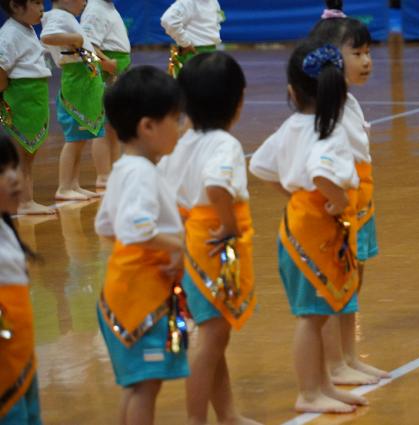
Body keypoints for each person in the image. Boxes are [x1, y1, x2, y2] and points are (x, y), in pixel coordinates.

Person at [250, 40, 367, 413]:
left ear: (292, 91)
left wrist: (292, 195)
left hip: (299, 223)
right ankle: (308, 392)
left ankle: (324, 386)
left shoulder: (292, 126)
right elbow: (320, 172)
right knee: (311, 317)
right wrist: (339, 201)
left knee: (318, 313)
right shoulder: (329, 131)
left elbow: (260, 165)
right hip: (314, 231)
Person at [158, 52, 260, 425]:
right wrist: (229, 225)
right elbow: (217, 185)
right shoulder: (224, 144)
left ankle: (228, 414)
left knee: (213, 338)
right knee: (212, 341)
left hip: (187, 243)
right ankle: (196, 420)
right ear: (237, 102)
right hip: (213, 248)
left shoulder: (180, 143)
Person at [95, 66, 188, 425]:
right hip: (140, 296)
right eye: (175, 119)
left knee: (137, 385)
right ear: (148, 126)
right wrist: (177, 245)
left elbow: (105, 226)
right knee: (145, 387)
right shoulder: (141, 173)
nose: (180, 126)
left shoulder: (125, 168)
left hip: (124, 288)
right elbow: (136, 229)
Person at [308, 0, 388, 385]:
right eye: (357, 53)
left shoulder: (349, 102)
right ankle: (333, 364)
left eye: (368, 52)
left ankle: (349, 357)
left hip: (361, 203)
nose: (367, 61)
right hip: (340, 208)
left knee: (353, 282)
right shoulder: (325, 109)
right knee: (334, 286)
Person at [41, 0, 105, 201]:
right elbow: (47, 36)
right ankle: (64, 187)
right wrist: (76, 38)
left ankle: (73, 184)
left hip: (84, 79)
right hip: (77, 82)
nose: (85, 2)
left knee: (79, 139)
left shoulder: (66, 16)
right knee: (73, 140)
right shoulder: (57, 16)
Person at [0, 136, 43, 425]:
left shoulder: (6, 228)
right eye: (1, 172)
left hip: (22, 360)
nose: (14, 177)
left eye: (13, 167)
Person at [0, 0, 54, 215]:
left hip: (33, 98)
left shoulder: (27, 29)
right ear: (15, 6)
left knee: (27, 156)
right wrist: (4, 95)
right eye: (37, 2)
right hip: (20, 100)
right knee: (20, 154)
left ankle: (26, 200)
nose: (42, 8)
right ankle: (24, 201)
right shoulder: (9, 34)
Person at [81, 0, 132, 188]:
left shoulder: (107, 7)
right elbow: (86, 47)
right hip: (106, 73)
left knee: (114, 126)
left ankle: (115, 171)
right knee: (102, 127)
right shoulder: (95, 9)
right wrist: (105, 63)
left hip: (117, 69)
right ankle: (103, 176)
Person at [160, 0, 224, 78]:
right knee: (190, 83)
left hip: (211, 51)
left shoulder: (213, 2)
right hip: (192, 52)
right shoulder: (187, 2)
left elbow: (218, 20)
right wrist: (185, 43)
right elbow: (168, 20)